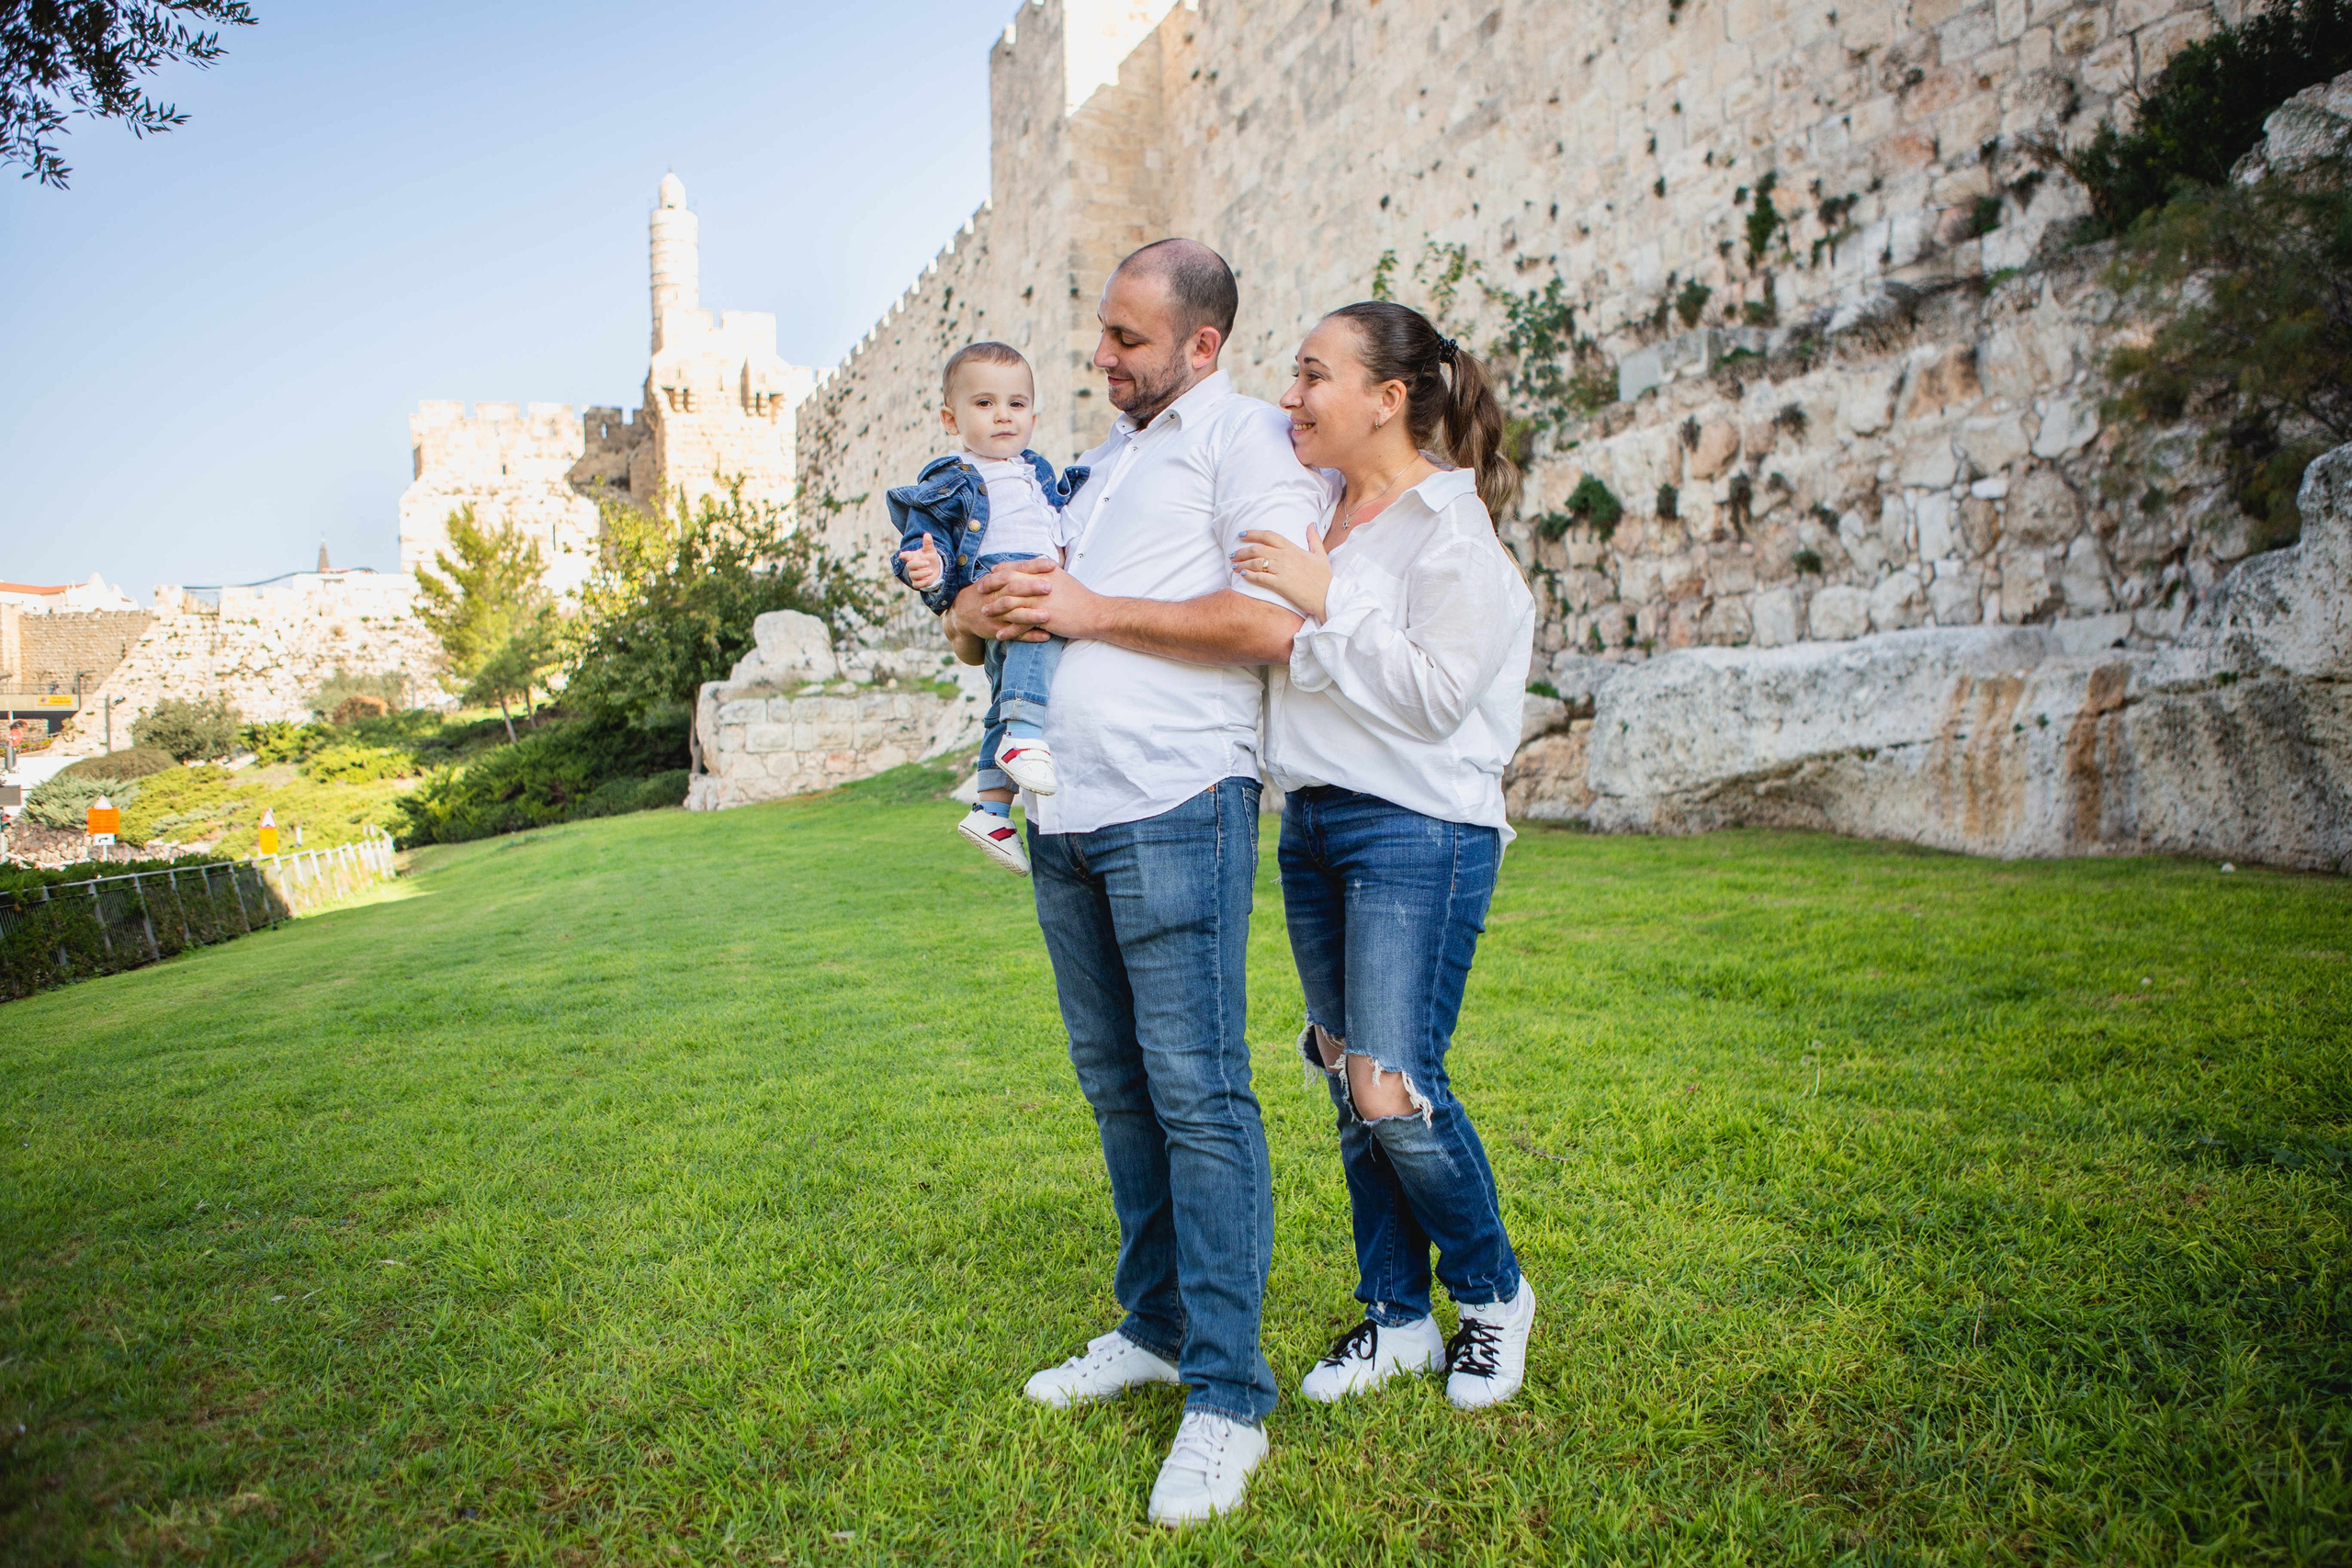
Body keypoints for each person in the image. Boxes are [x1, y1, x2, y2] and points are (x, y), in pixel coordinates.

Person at [945, 239, 1325, 1526]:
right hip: (1067, 813)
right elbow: (1017, 620)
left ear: (1201, 346)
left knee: (1199, 1095)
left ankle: (1227, 1395)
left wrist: (1090, 611)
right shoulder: (1100, 464)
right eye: (1102, 331)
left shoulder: (1246, 443)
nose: (1100, 356)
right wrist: (975, 619)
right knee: (1116, 1087)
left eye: (1128, 338)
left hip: (1176, 803)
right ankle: (1154, 1328)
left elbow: (1271, 624)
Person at [1230, 299, 1541, 1410]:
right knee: (1342, 1068)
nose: (1291, 395)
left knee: (1390, 1083)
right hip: (1312, 822)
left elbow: (1433, 697)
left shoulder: (1448, 534)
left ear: (1386, 398)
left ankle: (1493, 1295)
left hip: (1419, 826)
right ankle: (1397, 1317)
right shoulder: (1318, 514)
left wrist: (1327, 602)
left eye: (1313, 373)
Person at [888, 341, 1089, 874]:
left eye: (1016, 404)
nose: (1003, 415)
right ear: (950, 420)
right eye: (984, 403)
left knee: (1006, 692)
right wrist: (930, 570)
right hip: (999, 574)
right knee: (1038, 635)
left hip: (1035, 572)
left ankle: (991, 811)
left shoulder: (1036, 470)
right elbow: (923, 540)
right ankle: (1023, 737)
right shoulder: (950, 478)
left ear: (1033, 417)